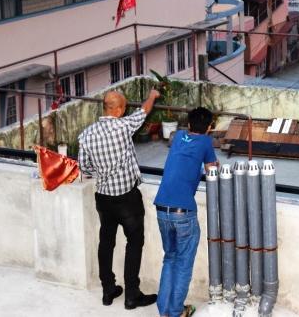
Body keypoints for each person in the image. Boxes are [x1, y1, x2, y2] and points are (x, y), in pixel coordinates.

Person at [78, 88, 161, 309]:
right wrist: (152, 96)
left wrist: (102, 172)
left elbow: (84, 167)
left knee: (106, 243)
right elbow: (143, 111)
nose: (125, 112)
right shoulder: (123, 127)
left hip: (103, 198)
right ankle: (132, 295)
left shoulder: (86, 134)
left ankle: (108, 291)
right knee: (134, 243)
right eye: (123, 108)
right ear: (118, 109)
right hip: (127, 199)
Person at [153, 107, 218, 317]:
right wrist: (212, 165)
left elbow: (184, 160)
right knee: (183, 263)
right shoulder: (207, 142)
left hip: (162, 207)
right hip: (184, 212)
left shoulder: (179, 136)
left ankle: (164, 310)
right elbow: (212, 171)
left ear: (188, 125)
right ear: (209, 128)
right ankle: (176, 312)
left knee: (170, 258)